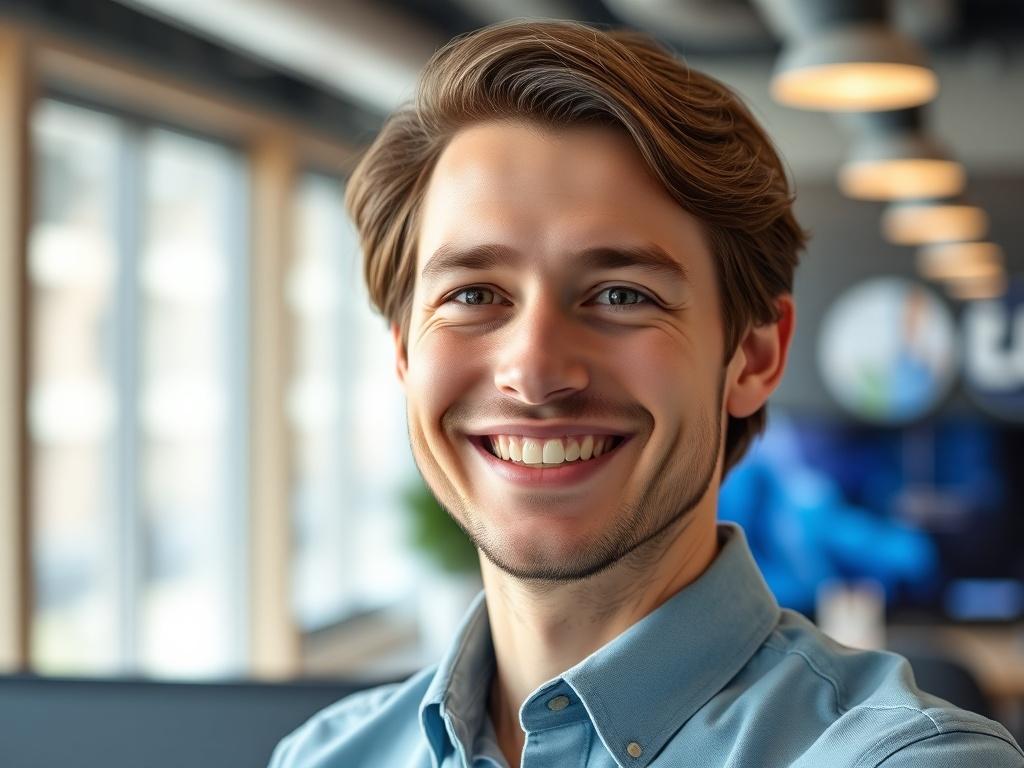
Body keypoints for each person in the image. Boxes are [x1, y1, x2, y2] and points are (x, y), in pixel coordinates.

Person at [270, 19, 1024, 768]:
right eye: (472, 295)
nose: (532, 372)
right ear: (404, 352)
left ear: (754, 357)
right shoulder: (320, 756)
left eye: (622, 294)